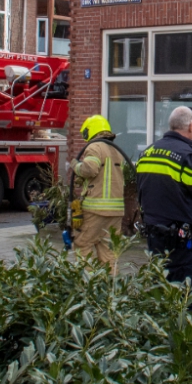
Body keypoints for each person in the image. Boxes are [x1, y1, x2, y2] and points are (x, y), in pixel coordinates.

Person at [136, 106, 192, 311]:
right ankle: (184, 336)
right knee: (188, 295)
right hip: (182, 239)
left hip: (154, 234)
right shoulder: (187, 156)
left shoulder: (148, 152)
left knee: (160, 287)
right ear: (190, 126)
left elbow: (141, 191)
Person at [72, 115, 128, 272]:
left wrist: (76, 166)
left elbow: (90, 169)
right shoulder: (116, 150)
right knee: (109, 251)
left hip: (95, 209)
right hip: (116, 212)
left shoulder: (94, 147)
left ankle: (88, 285)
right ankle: (109, 290)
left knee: (83, 244)